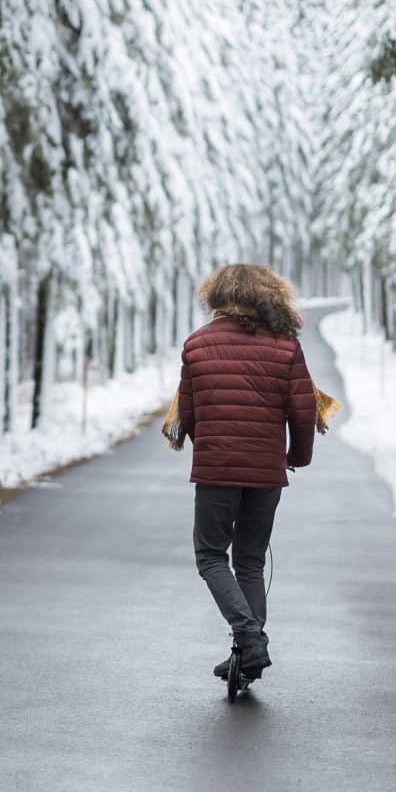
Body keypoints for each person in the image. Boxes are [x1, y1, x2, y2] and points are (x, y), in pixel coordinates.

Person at [168, 263, 316, 685]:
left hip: (216, 469)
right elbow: (302, 413)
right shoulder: (286, 346)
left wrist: (214, 449)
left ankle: (249, 638)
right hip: (267, 471)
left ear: (217, 296)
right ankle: (249, 653)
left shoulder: (197, 344)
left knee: (212, 556)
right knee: (249, 561)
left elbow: (189, 413)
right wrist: (297, 456)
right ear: (267, 297)